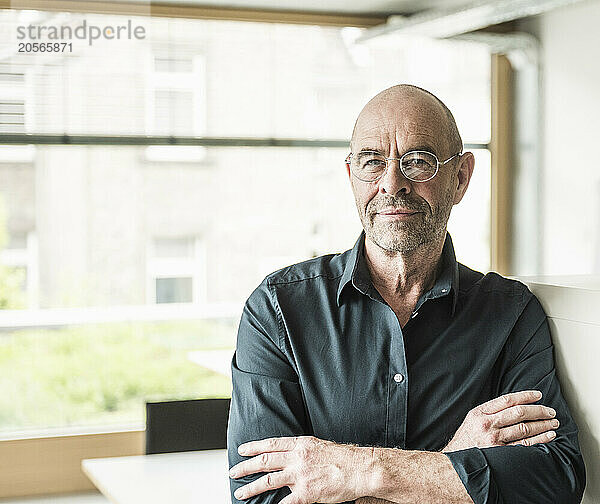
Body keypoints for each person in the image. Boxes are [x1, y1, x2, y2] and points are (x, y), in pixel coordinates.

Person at [227, 84, 586, 504]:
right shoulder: (277, 311)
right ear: (351, 177)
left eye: (418, 161)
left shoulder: (511, 314)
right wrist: (454, 462)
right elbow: (259, 497)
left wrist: (357, 472)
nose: (391, 183)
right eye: (371, 162)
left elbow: (555, 480)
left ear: (461, 178)